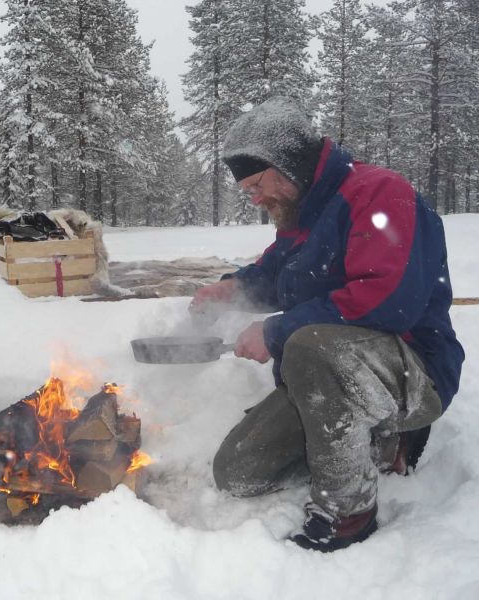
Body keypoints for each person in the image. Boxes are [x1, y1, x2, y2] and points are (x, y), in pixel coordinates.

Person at [190, 96, 464, 552]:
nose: (255, 198)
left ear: (289, 165)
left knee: (307, 343)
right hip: (329, 376)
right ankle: (366, 437)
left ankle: (349, 509)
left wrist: (274, 332)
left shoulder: (381, 195)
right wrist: (229, 290)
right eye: (247, 191)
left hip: (413, 370)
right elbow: (276, 275)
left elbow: (389, 302)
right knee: (238, 472)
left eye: (256, 184)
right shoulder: (302, 214)